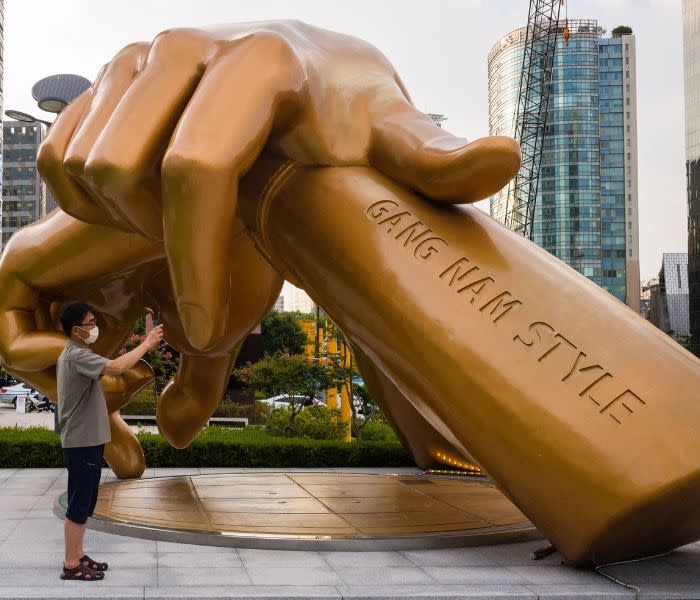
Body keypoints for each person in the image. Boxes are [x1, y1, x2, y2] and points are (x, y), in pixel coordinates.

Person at [57, 301, 163, 581]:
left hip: (87, 439)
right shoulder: (75, 355)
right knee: (79, 502)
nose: (95, 327)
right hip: (81, 441)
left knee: (87, 500)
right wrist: (147, 343)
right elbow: (116, 368)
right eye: (91, 323)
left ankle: (78, 554)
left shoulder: (81, 352)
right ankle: (70, 564)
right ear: (77, 330)